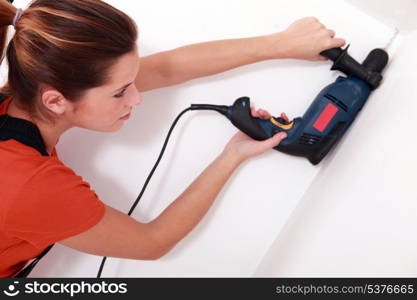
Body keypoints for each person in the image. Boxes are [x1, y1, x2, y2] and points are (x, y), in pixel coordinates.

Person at [0, 0, 345, 277]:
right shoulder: (30, 188)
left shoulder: (21, 95)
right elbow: (153, 242)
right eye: (120, 92)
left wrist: (281, 44)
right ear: (56, 100)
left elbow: (167, 68)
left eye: (132, 83)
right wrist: (231, 156)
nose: (136, 98)